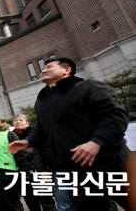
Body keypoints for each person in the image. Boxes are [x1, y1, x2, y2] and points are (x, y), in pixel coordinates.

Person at [8, 58, 130, 210]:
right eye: (43, 68)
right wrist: (28, 141)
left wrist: (96, 142)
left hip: (111, 163)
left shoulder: (88, 86)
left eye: (49, 67)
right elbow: (42, 128)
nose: (43, 70)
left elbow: (116, 115)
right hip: (76, 170)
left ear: (67, 70)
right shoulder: (42, 100)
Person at [12, 115, 56, 211]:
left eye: (21, 120)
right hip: (22, 172)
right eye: (15, 120)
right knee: (30, 200)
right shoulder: (11, 136)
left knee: (45, 199)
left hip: (37, 169)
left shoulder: (35, 134)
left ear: (27, 123)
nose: (17, 122)